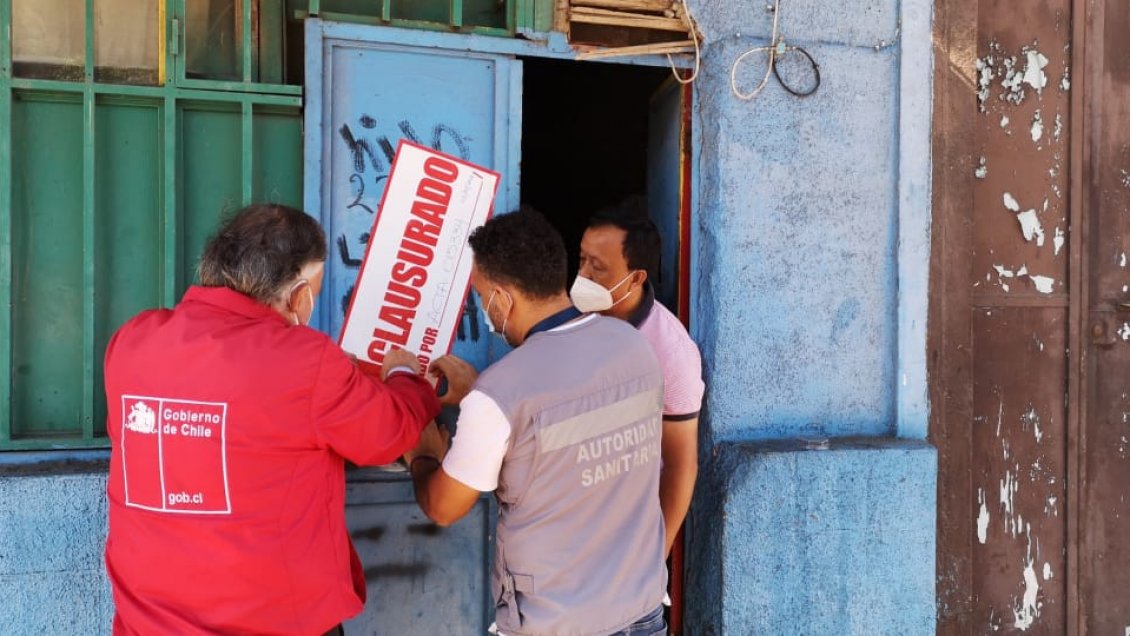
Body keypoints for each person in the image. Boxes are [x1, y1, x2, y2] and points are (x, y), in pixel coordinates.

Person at [103, 204, 441, 635]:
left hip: (148, 622)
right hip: (270, 621)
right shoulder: (305, 362)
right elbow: (387, 432)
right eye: (314, 291)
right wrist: (405, 376)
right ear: (297, 295)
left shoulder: (133, 340)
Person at [408, 209, 669, 635]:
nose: (485, 308)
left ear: (502, 298)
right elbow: (569, 424)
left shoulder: (500, 394)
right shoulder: (634, 346)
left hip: (555, 622)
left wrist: (422, 455)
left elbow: (443, 506)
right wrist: (481, 395)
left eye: (481, 296)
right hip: (641, 612)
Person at [571, 199, 705, 557]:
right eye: (582, 260)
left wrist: (654, 556)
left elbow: (680, 465)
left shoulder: (670, 353)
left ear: (636, 278)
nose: (583, 276)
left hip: (623, 534)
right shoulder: (572, 320)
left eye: (598, 267)